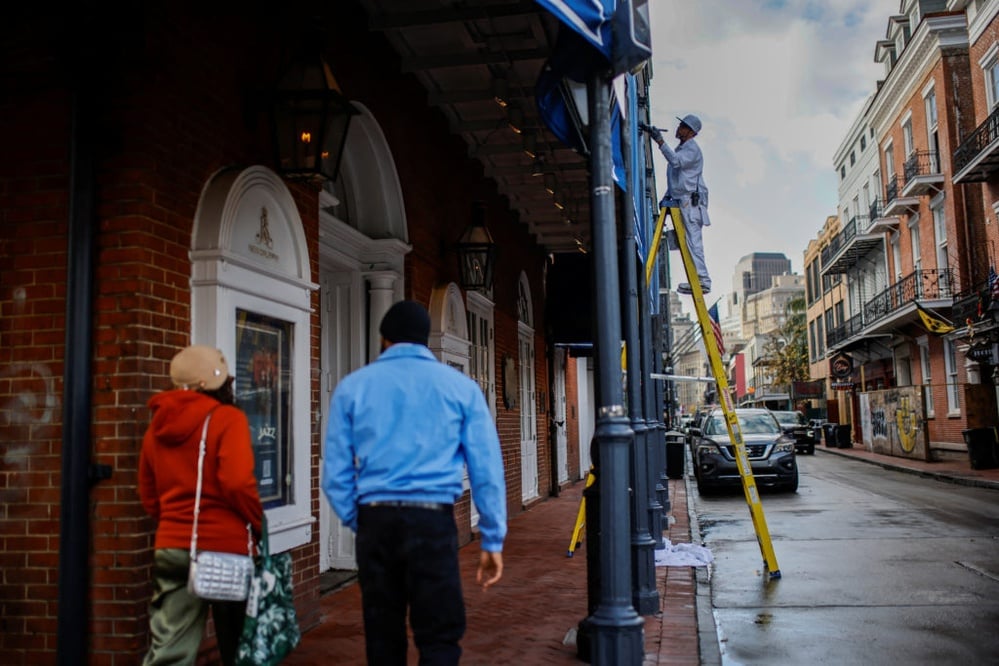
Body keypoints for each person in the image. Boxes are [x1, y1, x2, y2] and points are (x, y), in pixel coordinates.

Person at [322, 300, 507, 666]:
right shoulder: (462, 389)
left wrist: (360, 519)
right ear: (424, 341)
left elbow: (335, 473)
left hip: (376, 521)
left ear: (384, 339)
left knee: (382, 634)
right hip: (432, 521)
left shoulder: (352, 387)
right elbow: (487, 469)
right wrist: (492, 537)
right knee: (439, 633)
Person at [139, 345, 264, 665]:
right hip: (225, 547)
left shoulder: (157, 426)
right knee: (239, 645)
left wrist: (175, 524)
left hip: (172, 546)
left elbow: (149, 494)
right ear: (218, 382)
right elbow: (237, 483)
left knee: (169, 648)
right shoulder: (227, 419)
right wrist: (257, 523)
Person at [645, 113, 712, 295]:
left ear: (691, 132)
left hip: (690, 203)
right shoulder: (683, 148)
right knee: (686, 242)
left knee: (693, 242)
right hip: (682, 200)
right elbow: (677, 179)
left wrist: (659, 141)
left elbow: (675, 162)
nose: (679, 129)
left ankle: (703, 280)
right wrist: (667, 196)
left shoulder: (692, 150)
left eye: (683, 126)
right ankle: (696, 279)